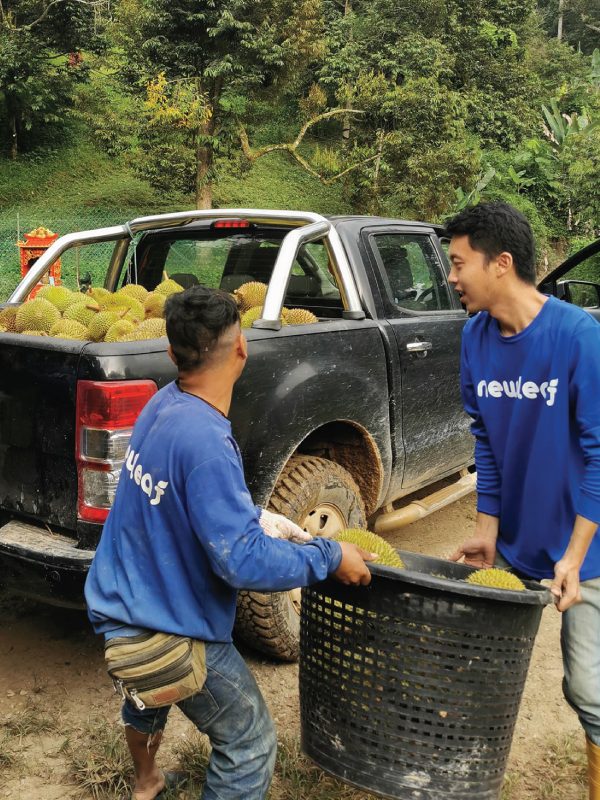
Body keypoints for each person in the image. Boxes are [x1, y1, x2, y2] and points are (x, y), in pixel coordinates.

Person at [84, 285, 375, 800]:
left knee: (146, 695)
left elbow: (181, 500)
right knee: (250, 743)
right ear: (241, 349)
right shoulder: (207, 441)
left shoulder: (159, 405)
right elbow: (240, 560)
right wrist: (329, 556)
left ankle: (147, 782)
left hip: (118, 611)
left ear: (171, 353)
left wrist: (256, 517)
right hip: (167, 632)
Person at [445, 202, 600, 799]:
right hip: (513, 546)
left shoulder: (578, 337)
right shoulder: (474, 336)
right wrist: (488, 529)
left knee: (587, 689)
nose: (452, 277)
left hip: (585, 553)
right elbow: (485, 441)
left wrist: (574, 557)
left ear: (501, 263)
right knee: (475, 670)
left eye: (459, 263)